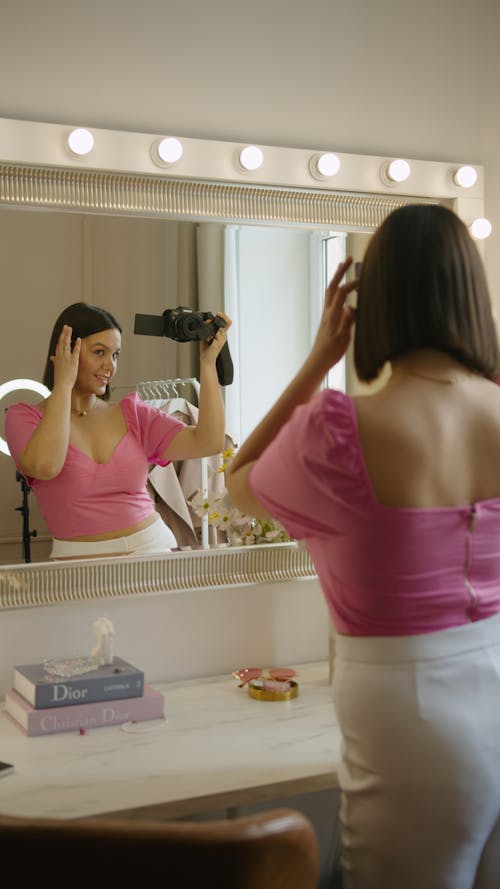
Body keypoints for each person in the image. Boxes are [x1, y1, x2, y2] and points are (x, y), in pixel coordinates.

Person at [227, 203, 500, 889]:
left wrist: (321, 357)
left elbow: (238, 484)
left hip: (412, 717)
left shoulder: (341, 430)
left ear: (372, 299)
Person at [5, 301, 231, 559]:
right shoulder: (24, 417)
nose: (110, 366)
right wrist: (63, 385)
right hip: (80, 564)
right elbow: (45, 466)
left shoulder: (132, 413)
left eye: (115, 355)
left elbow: (208, 442)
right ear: (67, 350)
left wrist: (208, 364)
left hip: (153, 549)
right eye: (99, 352)